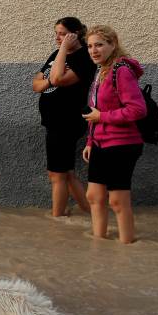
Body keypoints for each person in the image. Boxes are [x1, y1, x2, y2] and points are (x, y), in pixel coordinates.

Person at [82, 25, 147, 244]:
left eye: (99, 45)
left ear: (113, 44)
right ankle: (98, 245)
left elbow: (138, 110)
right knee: (94, 196)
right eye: (90, 46)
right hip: (99, 142)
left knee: (117, 201)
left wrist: (102, 117)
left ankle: (127, 246)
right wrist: (90, 141)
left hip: (122, 144)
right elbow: (94, 111)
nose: (93, 50)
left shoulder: (121, 71)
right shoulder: (100, 71)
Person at [32, 17, 96, 218]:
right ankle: (91, 212)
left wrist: (63, 51)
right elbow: (36, 84)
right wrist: (48, 81)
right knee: (66, 172)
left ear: (75, 34)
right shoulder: (56, 54)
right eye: (56, 33)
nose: (57, 38)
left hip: (66, 122)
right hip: (54, 122)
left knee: (56, 173)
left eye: (62, 34)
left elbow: (58, 78)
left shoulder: (84, 57)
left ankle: (56, 218)